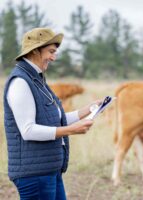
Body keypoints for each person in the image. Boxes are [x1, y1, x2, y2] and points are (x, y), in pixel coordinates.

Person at [3, 27, 100, 200]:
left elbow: (55, 120)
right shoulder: (20, 83)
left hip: (48, 170)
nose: (54, 57)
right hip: (34, 175)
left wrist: (88, 109)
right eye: (51, 52)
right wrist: (72, 130)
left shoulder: (37, 80)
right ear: (34, 51)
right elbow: (28, 130)